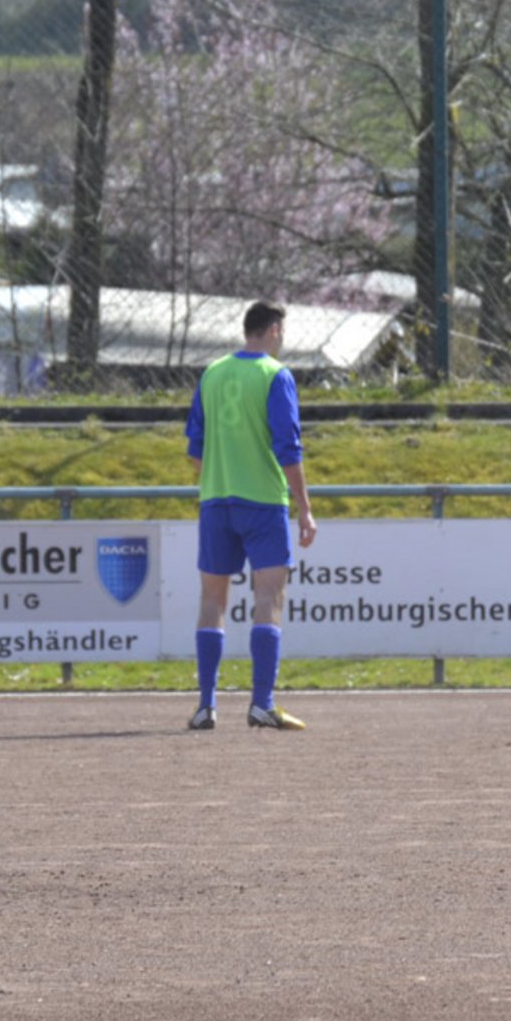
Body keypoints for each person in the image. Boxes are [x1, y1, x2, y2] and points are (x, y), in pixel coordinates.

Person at [185, 299, 318, 732]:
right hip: (263, 501)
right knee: (269, 599)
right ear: (274, 330)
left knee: (212, 601)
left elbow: (194, 450)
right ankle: (262, 703)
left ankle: (206, 706)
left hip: (216, 501)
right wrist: (305, 507)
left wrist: (219, 480)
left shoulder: (212, 373)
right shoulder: (275, 375)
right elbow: (288, 448)